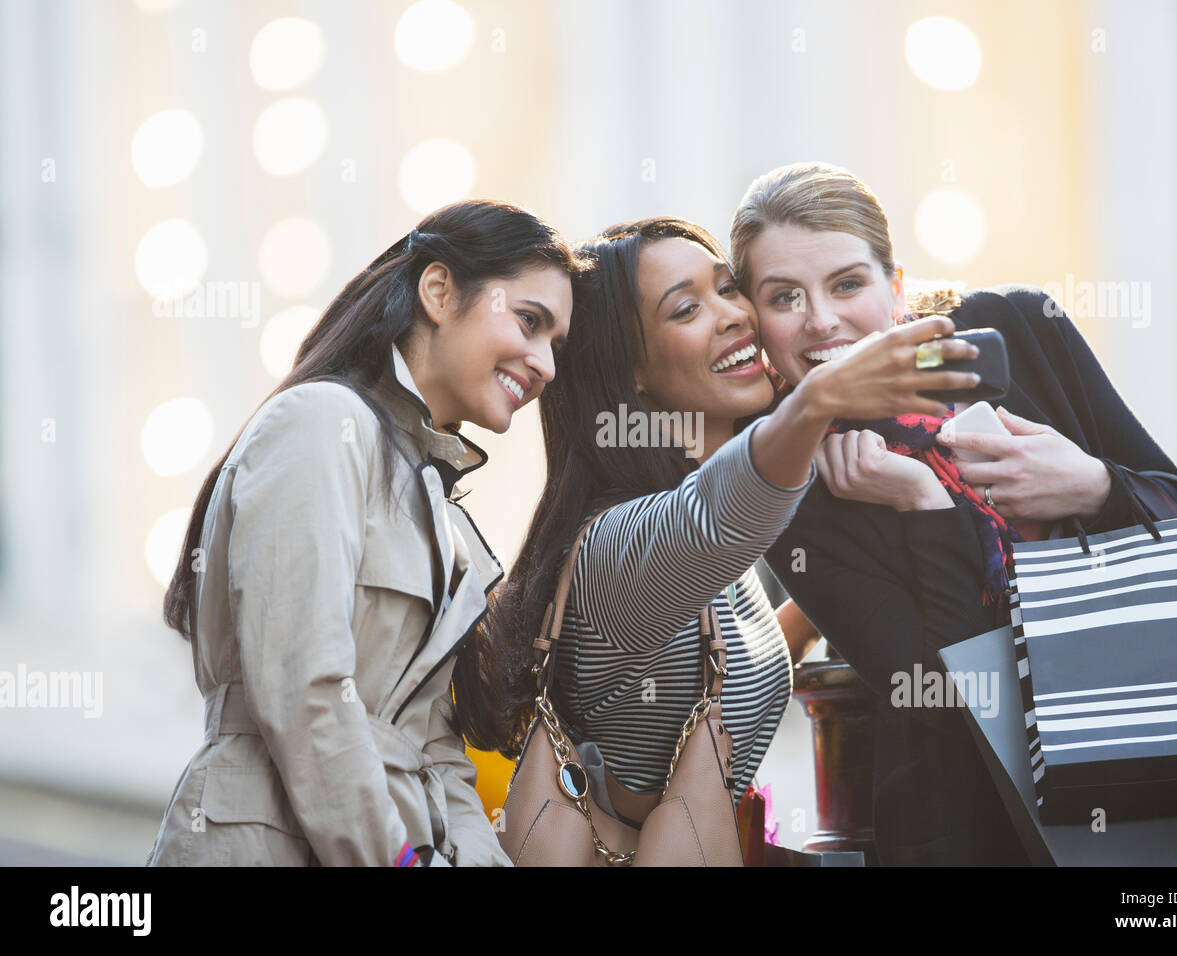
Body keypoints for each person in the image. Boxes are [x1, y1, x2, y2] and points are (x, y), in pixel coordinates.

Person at [729, 160, 1177, 864]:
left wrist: (1096, 487)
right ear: (757, 321)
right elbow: (938, 702)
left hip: (1160, 767)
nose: (822, 320)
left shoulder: (1014, 324)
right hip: (980, 833)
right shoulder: (787, 478)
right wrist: (921, 503)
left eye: (847, 284)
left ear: (894, 285)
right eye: (785, 297)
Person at [469, 217, 979, 837]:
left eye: (728, 288)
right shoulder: (619, 548)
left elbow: (727, 642)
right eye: (686, 310)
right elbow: (716, 518)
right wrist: (817, 402)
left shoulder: (708, 555)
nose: (734, 315)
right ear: (632, 370)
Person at [146, 199, 582, 866]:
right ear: (438, 291)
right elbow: (305, 690)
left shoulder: (439, 504)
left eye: (555, 343)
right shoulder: (321, 423)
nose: (545, 364)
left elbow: (438, 747)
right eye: (529, 322)